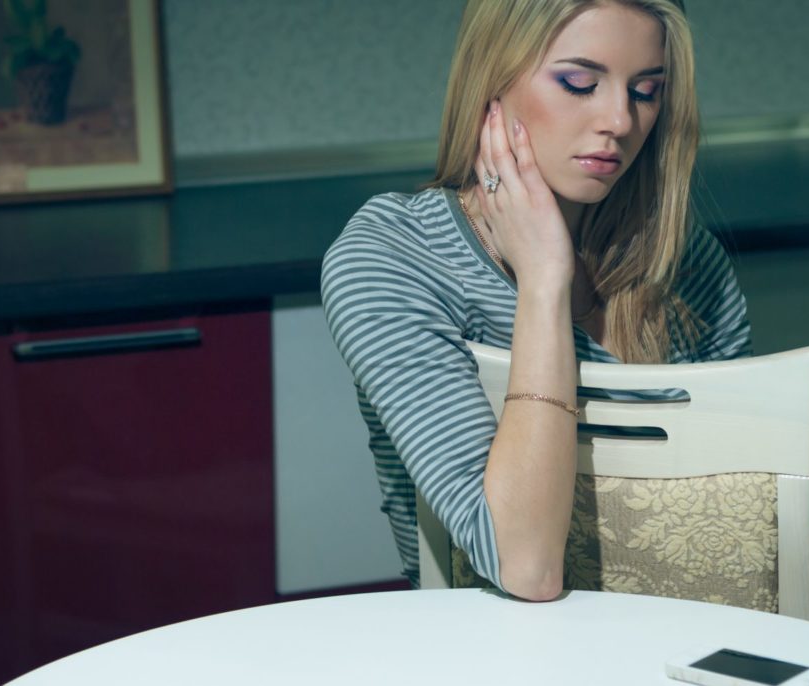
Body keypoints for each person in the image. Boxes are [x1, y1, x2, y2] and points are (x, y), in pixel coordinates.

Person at [321, 0, 750, 602]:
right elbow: (525, 567)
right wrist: (545, 279)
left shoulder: (682, 259)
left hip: (698, 626)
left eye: (647, 92)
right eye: (580, 83)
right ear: (492, 81)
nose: (620, 121)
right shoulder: (396, 255)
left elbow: (746, 505)